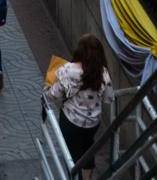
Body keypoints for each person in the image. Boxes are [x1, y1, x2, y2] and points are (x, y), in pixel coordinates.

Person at [44, 33, 111, 178]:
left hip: (71, 121)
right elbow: (108, 98)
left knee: (72, 154)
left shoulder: (68, 70)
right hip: (93, 123)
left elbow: (53, 95)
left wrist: (46, 91)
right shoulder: (103, 72)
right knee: (87, 148)